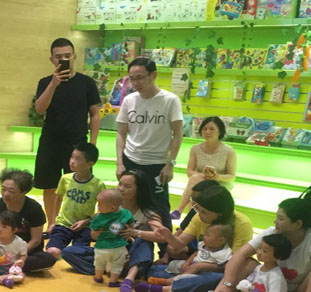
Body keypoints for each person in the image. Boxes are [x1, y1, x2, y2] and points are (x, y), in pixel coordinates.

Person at [33, 37, 102, 234]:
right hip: (50, 141)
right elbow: (39, 108)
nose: (63, 60)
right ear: (51, 60)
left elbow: (95, 114)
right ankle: (52, 224)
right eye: (58, 57)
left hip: (77, 143)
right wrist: (53, 84)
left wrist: (92, 144)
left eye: (67, 56)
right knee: (49, 185)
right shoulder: (45, 82)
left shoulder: (86, 83)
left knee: (79, 185)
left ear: (74, 56)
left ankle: (76, 225)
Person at [59, 170, 165, 292]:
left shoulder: (148, 213)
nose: (121, 189)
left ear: (139, 190)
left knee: (144, 241)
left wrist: (135, 232)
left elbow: (161, 237)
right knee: (69, 252)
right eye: (120, 184)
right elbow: (94, 232)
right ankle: (109, 269)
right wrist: (93, 228)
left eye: (127, 186)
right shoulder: (110, 207)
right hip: (109, 251)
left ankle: (129, 277)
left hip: (132, 254)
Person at [115, 57, 184, 241]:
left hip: (157, 164)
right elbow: (121, 132)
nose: (135, 83)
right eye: (132, 78)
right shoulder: (129, 100)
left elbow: (178, 134)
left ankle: (166, 250)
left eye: (140, 77)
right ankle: (121, 244)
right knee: (126, 204)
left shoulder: (170, 100)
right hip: (131, 160)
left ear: (153, 75)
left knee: (160, 208)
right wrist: (120, 162)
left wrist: (170, 164)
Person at [151, 184, 254, 292]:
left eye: (204, 212)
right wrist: (167, 235)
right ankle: (190, 290)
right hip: (198, 266)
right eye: (198, 209)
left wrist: (199, 266)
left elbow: (234, 264)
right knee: (154, 270)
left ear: (219, 214)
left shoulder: (242, 224)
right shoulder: (198, 217)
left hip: (223, 272)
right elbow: (179, 244)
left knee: (214, 279)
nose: (199, 214)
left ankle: (170, 288)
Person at [0, 169, 56, 273]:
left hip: (24, 252)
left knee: (47, 259)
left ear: (24, 192)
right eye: (3, 189)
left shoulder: (34, 208)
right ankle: (7, 265)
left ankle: (1, 265)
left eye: (11, 191)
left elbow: (35, 240)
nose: (5, 194)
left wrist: (16, 254)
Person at [134, 223, 232, 292]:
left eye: (208, 235)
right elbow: (195, 253)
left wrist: (198, 267)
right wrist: (187, 262)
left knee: (205, 279)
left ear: (221, 240)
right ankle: (177, 283)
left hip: (203, 274)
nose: (204, 237)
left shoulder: (224, 253)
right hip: (188, 268)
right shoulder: (203, 245)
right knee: (158, 269)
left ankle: (168, 284)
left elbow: (223, 267)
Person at [46, 143, 105, 261]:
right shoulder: (65, 178)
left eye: (77, 159)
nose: (72, 161)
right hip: (63, 225)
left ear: (90, 164)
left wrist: (86, 221)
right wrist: (52, 222)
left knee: (77, 254)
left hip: (84, 228)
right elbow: (58, 200)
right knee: (52, 252)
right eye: (72, 157)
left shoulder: (98, 184)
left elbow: (103, 210)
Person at [171, 117, 236, 222]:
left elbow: (231, 176)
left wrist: (216, 176)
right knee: (195, 180)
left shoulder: (229, 151)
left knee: (195, 183)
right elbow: (189, 172)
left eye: (212, 129)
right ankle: (187, 221)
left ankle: (179, 211)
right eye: (204, 129)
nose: (207, 132)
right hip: (200, 183)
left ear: (220, 131)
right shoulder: (195, 149)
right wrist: (205, 176)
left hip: (219, 184)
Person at [90, 189, 135, 286]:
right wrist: (129, 231)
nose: (98, 206)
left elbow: (94, 234)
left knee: (99, 263)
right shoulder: (126, 213)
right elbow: (131, 224)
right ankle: (113, 281)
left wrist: (96, 233)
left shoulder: (99, 218)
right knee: (117, 265)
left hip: (101, 247)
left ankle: (98, 278)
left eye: (100, 205)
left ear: (112, 208)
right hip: (118, 247)